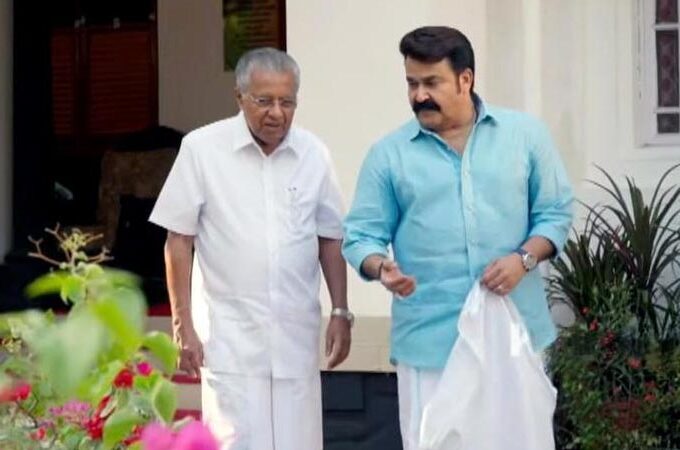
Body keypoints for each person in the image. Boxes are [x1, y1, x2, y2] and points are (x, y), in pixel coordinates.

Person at [341, 26, 573, 450]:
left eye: (431, 82)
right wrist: (381, 267)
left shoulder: (525, 136)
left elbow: (555, 213)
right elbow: (360, 236)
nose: (419, 95)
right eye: (412, 83)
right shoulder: (388, 155)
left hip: (515, 336)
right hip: (431, 343)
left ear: (465, 79)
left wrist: (522, 260)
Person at [150, 47, 352, 450]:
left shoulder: (313, 153)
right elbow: (179, 240)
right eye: (264, 101)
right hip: (231, 342)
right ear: (239, 97)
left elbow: (330, 237)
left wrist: (341, 311)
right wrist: (182, 325)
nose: (277, 113)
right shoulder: (201, 149)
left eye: (287, 102)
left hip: (295, 339)